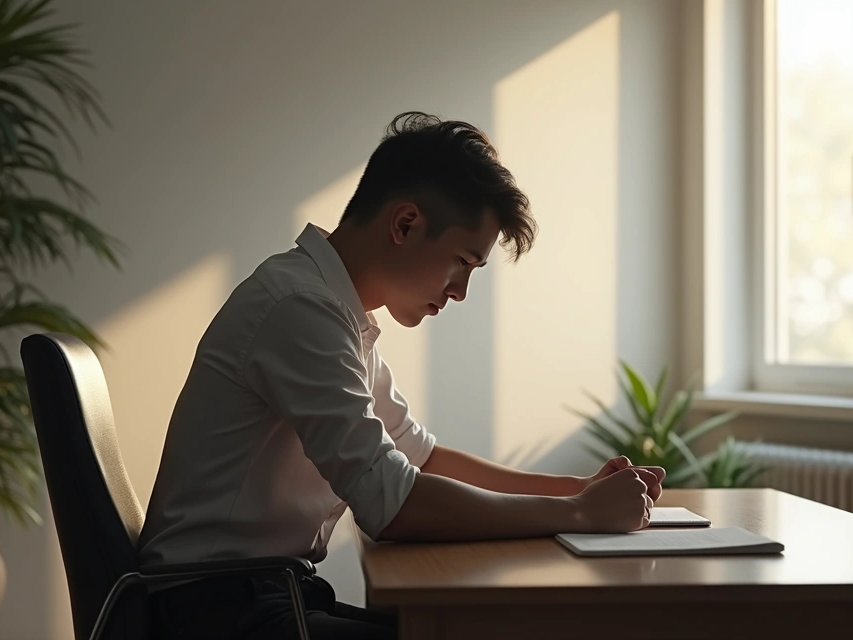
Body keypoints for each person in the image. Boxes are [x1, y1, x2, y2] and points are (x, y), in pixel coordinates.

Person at [138, 112, 665, 639]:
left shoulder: (335, 313)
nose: (460, 291)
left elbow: (422, 458)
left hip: (258, 596)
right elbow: (393, 506)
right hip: (213, 614)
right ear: (405, 224)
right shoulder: (299, 309)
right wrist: (575, 514)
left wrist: (576, 490)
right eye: (462, 261)